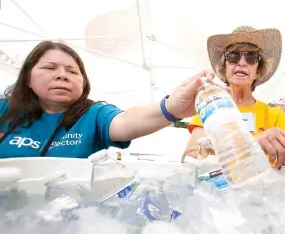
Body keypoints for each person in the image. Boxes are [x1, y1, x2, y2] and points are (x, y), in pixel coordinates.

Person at [0, 41, 209, 159]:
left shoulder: (92, 115)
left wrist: (171, 108)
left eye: (72, 71)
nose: (62, 75)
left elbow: (126, 122)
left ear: (83, 82)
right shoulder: (4, 110)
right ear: (27, 78)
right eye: (50, 68)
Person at [184, 26, 285, 171]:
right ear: (225, 68)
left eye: (251, 57)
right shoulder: (210, 106)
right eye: (233, 56)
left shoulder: (273, 114)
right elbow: (190, 157)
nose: (242, 62)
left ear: (258, 71)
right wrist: (252, 144)